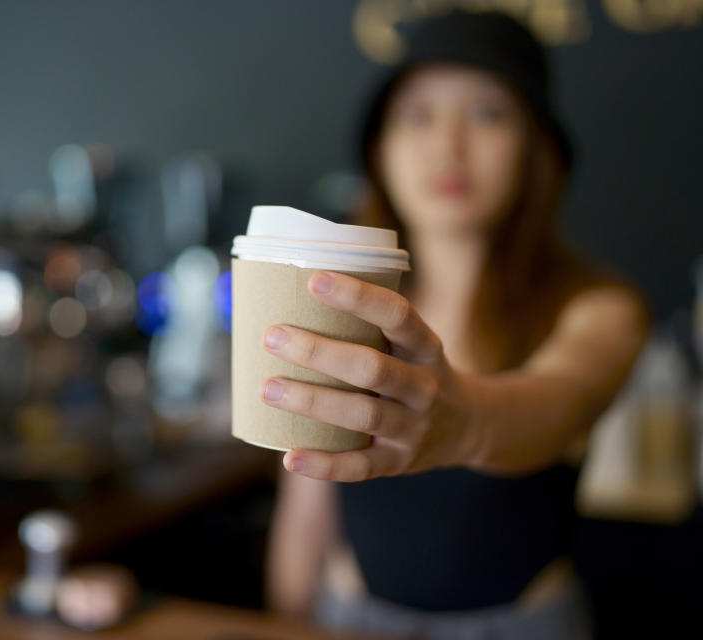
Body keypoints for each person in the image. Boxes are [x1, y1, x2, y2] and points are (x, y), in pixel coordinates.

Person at [265, 10, 647, 639]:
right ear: (379, 148)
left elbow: (562, 395)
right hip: (349, 623)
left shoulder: (597, 307)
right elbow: (307, 499)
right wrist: (284, 622)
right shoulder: (336, 302)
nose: (448, 145)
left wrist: (463, 420)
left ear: (534, 145)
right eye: (418, 116)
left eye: (487, 113)